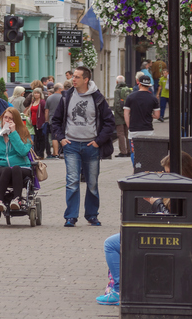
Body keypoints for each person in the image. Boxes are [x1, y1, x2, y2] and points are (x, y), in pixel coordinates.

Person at [99, 152, 192, 305]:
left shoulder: (186, 191)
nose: (166, 177)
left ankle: (119, 290)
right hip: (179, 239)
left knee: (111, 244)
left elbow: (170, 220)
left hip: (171, 241)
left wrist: (156, 202)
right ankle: (118, 288)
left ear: (181, 171)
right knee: (118, 240)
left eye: (167, 173)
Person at [50, 65, 115, 228]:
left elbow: (109, 122)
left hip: (91, 146)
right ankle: (71, 216)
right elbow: (56, 121)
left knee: (92, 182)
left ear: (86, 79)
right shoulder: (66, 97)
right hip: (71, 145)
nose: (73, 79)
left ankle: (92, 215)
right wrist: (61, 138)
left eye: (77, 77)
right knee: (72, 181)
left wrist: (98, 141)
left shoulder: (97, 98)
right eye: (73, 76)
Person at [0, 106, 32, 212]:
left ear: (16, 121)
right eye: (5, 117)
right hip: (1, 167)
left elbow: (23, 151)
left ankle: (16, 200)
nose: (7, 120)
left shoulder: (23, 132)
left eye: (11, 118)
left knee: (15, 168)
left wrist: (13, 133)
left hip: (21, 166)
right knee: (6, 169)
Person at [122, 72, 159, 165]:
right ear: (149, 85)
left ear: (139, 84)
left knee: (134, 152)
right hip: (148, 129)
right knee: (147, 151)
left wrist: (129, 126)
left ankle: (136, 168)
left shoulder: (131, 97)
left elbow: (126, 114)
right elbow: (157, 115)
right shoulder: (153, 98)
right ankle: (145, 167)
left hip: (134, 130)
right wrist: (151, 115)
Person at [111, 75, 132, 158]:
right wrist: (127, 114)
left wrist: (121, 113)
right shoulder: (128, 90)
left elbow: (117, 103)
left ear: (117, 82)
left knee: (120, 134)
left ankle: (123, 152)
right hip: (128, 114)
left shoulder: (117, 90)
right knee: (127, 134)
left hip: (119, 116)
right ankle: (130, 150)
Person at [28, 89, 49, 158]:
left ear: (40, 94)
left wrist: (45, 121)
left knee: (41, 138)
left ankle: (41, 154)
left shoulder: (42, 102)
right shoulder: (33, 102)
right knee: (36, 139)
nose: (36, 94)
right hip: (33, 123)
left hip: (40, 123)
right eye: (35, 93)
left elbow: (46, 111)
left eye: (38, 93)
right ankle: (36, 153)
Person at [46, 84, 64, 157]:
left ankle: (55, 152)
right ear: (59, 89)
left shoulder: (49, 98)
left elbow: (46, 111)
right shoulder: (63, 97)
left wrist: (47, 120)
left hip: (52, 119)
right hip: (62, 119)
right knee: (62, 135)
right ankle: (60, 152)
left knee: (54, 136)